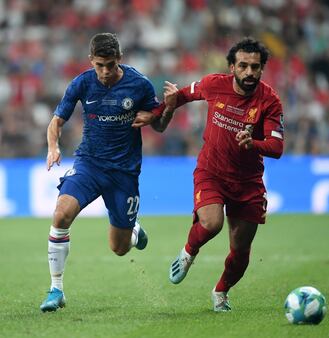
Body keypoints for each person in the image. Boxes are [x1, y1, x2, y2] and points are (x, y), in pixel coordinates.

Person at [141, 37, 285, 312]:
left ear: (262, 69)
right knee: (211, 223)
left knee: (241, 251)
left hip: (248, 182)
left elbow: (277, 147)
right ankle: (188, 253)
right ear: (232, 67)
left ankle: (221, 292)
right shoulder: (213, 84)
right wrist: (156, 113)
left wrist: (253, 143)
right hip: (212, 171)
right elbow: (180, 96)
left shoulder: (270, 101)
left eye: (255, 67)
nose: (249, 72)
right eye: (243, 66)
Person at [40, 32, 162, 312]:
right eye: (99, 65)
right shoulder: (82, 83)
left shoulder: (139, 84)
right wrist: (52, 147)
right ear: (91, 61)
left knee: (119, 248)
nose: (105, 72)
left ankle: (134, 230)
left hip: (123, 172)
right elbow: (57, 120)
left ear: (120, 59)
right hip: (89, 164)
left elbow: (160, 123)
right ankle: (56, 290)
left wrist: (155, 116)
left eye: (110, 64)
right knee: (61, 214)